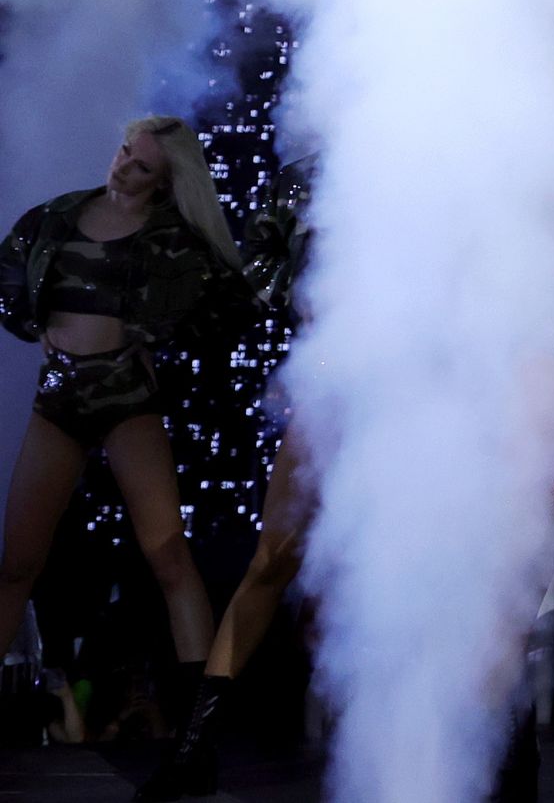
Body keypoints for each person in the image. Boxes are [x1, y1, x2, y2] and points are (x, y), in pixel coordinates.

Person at [0, 117, 249, 770]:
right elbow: (8, 275)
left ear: (164, 179)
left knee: (168, 556)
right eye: (122, 152)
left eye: (139, 165)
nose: (121, 167)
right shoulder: (58, 216)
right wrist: (36, 328)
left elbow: (226, 305)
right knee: (17, 564)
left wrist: (153, 339)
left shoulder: (175, 239)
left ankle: (197, 735)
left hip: (127, 403)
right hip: (58, 400)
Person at [136, 155, 317, 800]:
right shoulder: (306, 175)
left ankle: (500, 754)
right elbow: (258, 282)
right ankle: (195, 750)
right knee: (271, 561)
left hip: (437, 390)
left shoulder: (457, 156)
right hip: (340, 380)